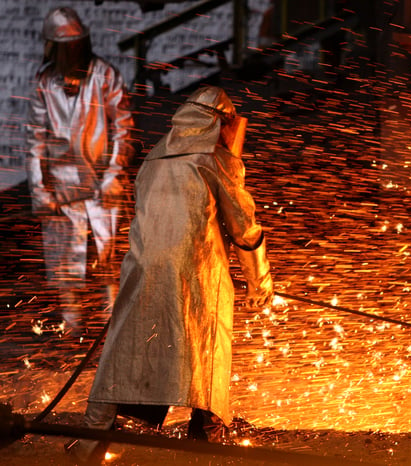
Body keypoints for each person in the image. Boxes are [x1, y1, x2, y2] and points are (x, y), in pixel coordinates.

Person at [66, 85, 274, 464]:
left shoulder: (154, 159)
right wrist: (260, 282)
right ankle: (206, 443)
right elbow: (244, 227)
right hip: (198, 276)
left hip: (142, 274)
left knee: (126, 358)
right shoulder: (214, 160)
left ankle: (88, 448)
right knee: (206, 360)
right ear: (219, 122)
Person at [25, 7, 135, 335]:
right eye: (66, 47)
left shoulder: (105, 75)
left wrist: (114, 174)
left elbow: (123, 129)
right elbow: (35, 140)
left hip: (103, 183)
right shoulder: (44, 83)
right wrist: (40, 190)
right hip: (62, 188)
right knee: (65, 263)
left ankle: (113, 327)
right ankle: (72, 327)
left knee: (109, 258)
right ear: (54, 49)